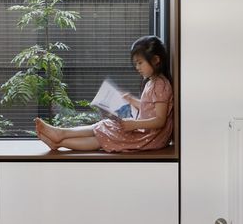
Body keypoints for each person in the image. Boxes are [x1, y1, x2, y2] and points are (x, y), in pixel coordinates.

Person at [35, 35, 173, 153]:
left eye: (140, 63)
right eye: (135, 64)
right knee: (105, 125)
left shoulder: (160, 85)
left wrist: (134, 125)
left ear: (155, 60)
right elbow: (149, 107)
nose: (137, 67)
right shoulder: (152, 82)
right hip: (145, 131)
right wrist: (131, 100)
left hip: (150, 137)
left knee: (103, 138)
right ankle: (60, 133)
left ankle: (59, 142)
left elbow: (159, 121)